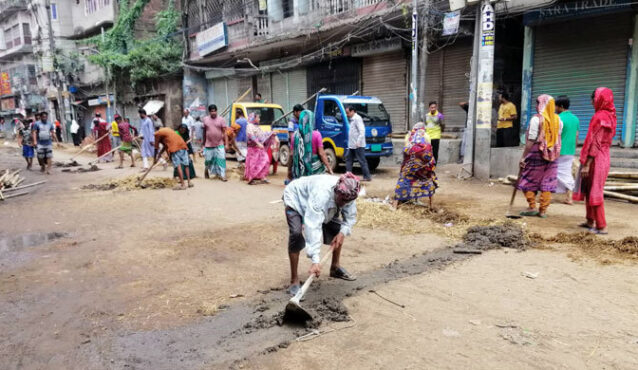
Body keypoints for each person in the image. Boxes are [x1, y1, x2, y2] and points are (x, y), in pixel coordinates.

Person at [283, 173, 360, 295]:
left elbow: (350, 218)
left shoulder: (350, 193)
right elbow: (313, 227)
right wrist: (315, 261)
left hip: (322, 205)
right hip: (295, 198)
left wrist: (342, 233)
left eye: (348, 201)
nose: (344, 204)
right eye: (342, 200)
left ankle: (335, 268)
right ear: (337, 192)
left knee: (337, 228)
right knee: (296, 234)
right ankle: (294, 280)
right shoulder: (321, 195)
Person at [574, 88, 617, 235]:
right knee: (588, 188)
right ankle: (589, 220)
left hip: (596, 158)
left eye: (593, 99)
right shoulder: (610, 116)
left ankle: (601, 226)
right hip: (602, 156)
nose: (592, 102)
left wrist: (587, 164)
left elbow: (596, 142)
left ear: (599, 100)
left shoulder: (600, 117)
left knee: (595, 190)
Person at [517, 94, 563, 218]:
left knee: (528, 179)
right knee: (547, 181)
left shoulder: (536, 119)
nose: (537, 106)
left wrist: (523, 157)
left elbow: (531, 140)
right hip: (553, 153)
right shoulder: (558, 120)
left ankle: (532, 206)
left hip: (537, 152)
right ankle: (543, 210)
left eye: (538, 103)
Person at [393, 126, 438, 209]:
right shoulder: (426, 139)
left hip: (411, 167)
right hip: (423, 167)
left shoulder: (409, 141)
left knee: (403, 181)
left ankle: (395, 206)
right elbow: (430, 158)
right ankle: (431, 206)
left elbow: (405, 154)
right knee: (429, 182)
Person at [289, 109, 333, 180]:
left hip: (299, 170)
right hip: (314, 170)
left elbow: (291, 155)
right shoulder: (316, 134)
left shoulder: (295, 136)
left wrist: (289, 171)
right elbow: (322, 154)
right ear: (311, 120)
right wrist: (329, 168)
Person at [555, 95, 579, 204]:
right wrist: (574, 148)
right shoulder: (575, 119)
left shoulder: (558, 118)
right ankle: (568, 196)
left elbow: (555, 135)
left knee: (556, 171)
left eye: (556, 106)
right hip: (570, 150)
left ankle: (568, 196)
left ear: (560, 106)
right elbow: (577, 136)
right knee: (565, 172)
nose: (555, 108)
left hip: (560, 150)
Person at [245, 113, 276, 184]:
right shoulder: (250, 126)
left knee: (266, 161)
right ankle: (251, 178)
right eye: (258, 118)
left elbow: (263, 135)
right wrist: (258, 143)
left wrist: (271, 133)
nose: (259, 119)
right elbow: (251, 135)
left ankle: (262, 177)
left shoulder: (257, 127)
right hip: (253, 149)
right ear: (254, 118)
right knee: (253, 164)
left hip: (259, 148)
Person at [202, 104, 228, 181]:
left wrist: (226, 144)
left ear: (216, 111)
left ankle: (222, 175)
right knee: (208, 160)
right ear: (209, 112)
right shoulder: (205, 119)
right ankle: (206, 170)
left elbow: (225, 132)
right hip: (209, 144)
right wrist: (203, 144)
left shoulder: (221, 120)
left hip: (220, 143)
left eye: (214, 111)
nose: (213, 113)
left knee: (221, 159)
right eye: (211, 111)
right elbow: (204, 132)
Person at [345, 105, 371, 181]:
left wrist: (358, 141)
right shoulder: (352, 119)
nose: (347, 114)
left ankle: (367, 176)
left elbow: (362, 131)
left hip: (358, 145)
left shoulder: (357, 119)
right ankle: (348, 175)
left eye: (348, 112)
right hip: (352, 145)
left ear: (352, 111)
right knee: (349, 160)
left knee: (362, 161)